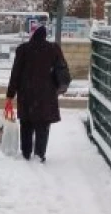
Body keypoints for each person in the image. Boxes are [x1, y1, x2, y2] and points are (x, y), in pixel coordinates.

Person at [6, 25, 69, 162]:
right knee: (43, 125)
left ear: (32, 35)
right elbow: (62, 69)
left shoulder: (23, 49)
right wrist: (58, 87)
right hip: (46, 95)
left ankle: (26, 153)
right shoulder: (53, 49)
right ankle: (40, 154)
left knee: (26, 125)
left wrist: (10, 94)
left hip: (26, 94)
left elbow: (15, 73)